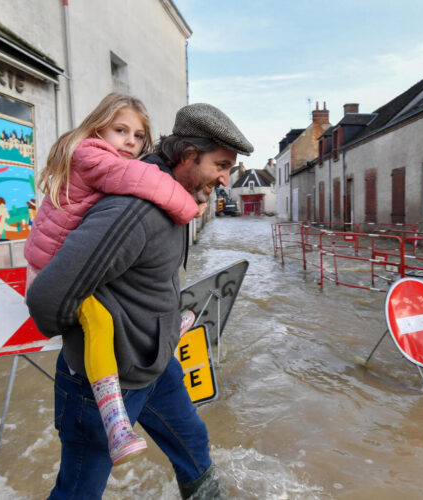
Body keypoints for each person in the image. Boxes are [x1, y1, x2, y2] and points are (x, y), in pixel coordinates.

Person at [26, 102, 253, 498]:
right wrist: (95, 337)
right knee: (79, 491)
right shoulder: (136, 210)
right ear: (187, 155)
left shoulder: (172, 197)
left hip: (156, 365)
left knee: (193, 446)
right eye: (220, 165)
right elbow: (47, 298)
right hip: (105, 382)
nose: (225, 179)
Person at [24, 93, 201, 465]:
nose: (130, 143)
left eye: (138, 136)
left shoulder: (99, 161)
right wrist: (188, 207)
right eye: (121, 130)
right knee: (100, 322)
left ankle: (167, 329)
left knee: (193, 444)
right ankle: (114, 420)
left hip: (149, 357)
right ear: (97, 127)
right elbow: (141, 179)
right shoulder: (92, 156)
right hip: (49, 266)